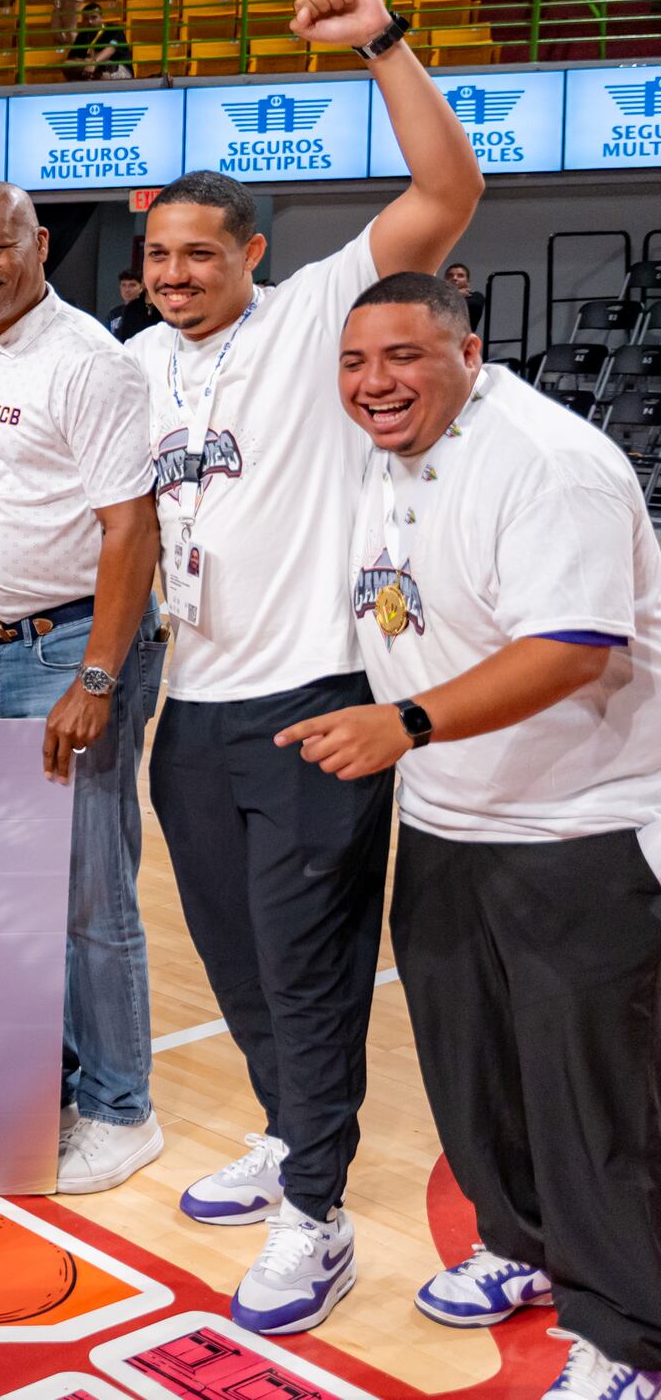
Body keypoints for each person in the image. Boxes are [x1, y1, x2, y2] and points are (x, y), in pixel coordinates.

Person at [132, 0, 484, 1339]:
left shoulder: (318, 314)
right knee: (233, 958)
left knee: (308, 967)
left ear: (255, 253)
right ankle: (291, 1134)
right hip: (193, 709)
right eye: (158, 258)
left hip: (315, 702)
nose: (175, 277)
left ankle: (318, 1216)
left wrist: (386, 43)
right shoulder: (139, 362)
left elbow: (443, 195)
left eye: (200, 257)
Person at [279, 272, 661, 1400]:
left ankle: (628, 1336)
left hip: (576, 825)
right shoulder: (378, 458)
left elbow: (570, 648)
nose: (373, 383)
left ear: (468, 352)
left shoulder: (547, 463)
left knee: (595, 1101)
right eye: (353, 363)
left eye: (400, 356)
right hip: (448, 813)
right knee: (472, 1066)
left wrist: (402, 721)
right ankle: (519, 1242)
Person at [0, 179, 164, 1194]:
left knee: (89, 890)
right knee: (10, 888)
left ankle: (119, 1105)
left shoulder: (87, 364)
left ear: (39, 243)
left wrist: (97, 675)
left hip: (68, 654)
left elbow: (127, 529)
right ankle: (41, 1080)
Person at [65, 2, 133, 81]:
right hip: (91, 69)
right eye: (86, 19)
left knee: (106, 66)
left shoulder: (114, 30)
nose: (90, 21)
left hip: (117, 69)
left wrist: (94, 62)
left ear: (101, 17)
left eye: (94, 17)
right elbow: (70, 60)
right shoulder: (82, 36)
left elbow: (111, 49)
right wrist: (86, 62)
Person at [104, 263, 161, 340]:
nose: (127, 290)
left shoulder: (150, 311)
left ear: (141, 287)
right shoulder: (114, 313)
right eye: (124, 285)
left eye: (132, 285)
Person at [445, 261, 488, 336]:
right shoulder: (437, 296)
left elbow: (473, 305)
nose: (454, 278)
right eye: (450, 275)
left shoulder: (475, 296)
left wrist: (455, 295)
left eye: (460, 276)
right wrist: (457, 294)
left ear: (468, 282)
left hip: (462, 339)